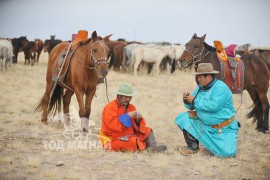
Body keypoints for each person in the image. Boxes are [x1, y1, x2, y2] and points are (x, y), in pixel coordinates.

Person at [174, 63, 239, 158]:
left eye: (200, 77)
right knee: (183, 118)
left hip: (224, 129)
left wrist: (194, 100)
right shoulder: (200, 87)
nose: (198, 79)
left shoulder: (221, 87)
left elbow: (213, 106)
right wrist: (186, 100)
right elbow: (191, 107)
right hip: (206, 127)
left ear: (208, 76)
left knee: (227, 154)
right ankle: (193, 147)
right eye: (197, 77)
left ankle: (213, 144)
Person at [100, 83, 166, 152]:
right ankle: (145, 149)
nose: (128, 99)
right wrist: (127, 116)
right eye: (126, 97)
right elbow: (112, 125)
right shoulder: (110, 107)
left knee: (147, 130)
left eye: (130, 97)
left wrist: (138, 120)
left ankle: (152, 147)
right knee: (132, 141)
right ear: (119, 96)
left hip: (129, 135)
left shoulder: (132, 107)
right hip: (113, 139)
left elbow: (136, 127)